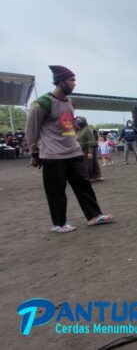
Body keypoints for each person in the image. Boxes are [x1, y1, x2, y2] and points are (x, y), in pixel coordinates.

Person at [25, 65, 113, 233]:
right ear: (60, 82)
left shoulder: (71, 102)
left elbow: (70, 126)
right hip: (52, 154)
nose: (74, 83)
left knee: (84, 185)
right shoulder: (42, 103)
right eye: (71, 80)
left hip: (73, 152)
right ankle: (59, 223)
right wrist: (35, 153)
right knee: (56, 191)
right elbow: (31, 130)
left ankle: (94, 216)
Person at [76, 116, 103, 182]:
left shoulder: (87, 129)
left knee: (87, 164)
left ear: (84, 121)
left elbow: (91, 141)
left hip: (88, 149)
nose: (78, 122)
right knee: (92, 163)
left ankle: (89, 177)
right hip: (82, 149)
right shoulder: (80, 130)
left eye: (79, 120)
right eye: (77, 121)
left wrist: (90, 152)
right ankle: (96, 176)